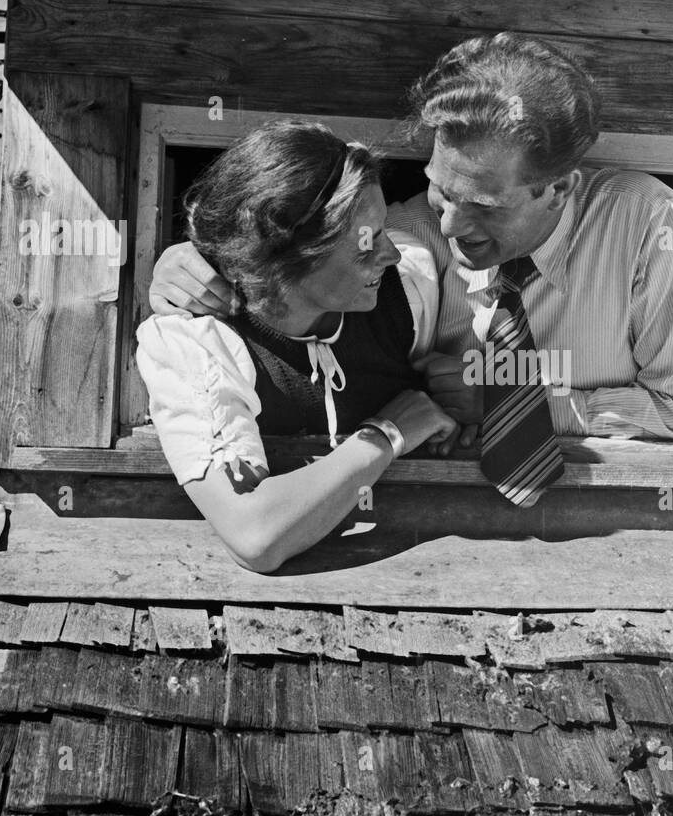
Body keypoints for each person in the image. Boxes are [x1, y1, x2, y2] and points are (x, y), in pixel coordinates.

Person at [150, 33, 673, 503]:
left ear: (557, 188)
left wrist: (518, 405)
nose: (451, 224)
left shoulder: (651, 228)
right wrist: (200, 261)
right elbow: (306, 259)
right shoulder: (415, 236)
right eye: (439, 190)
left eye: (483, 207)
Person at [136, 120, 456, 572]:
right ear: (290, 257)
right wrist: (385, 434)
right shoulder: (194, 343)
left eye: (382, 231)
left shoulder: (411, 289)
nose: (392, 254)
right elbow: (256, 536)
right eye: (366, 243)